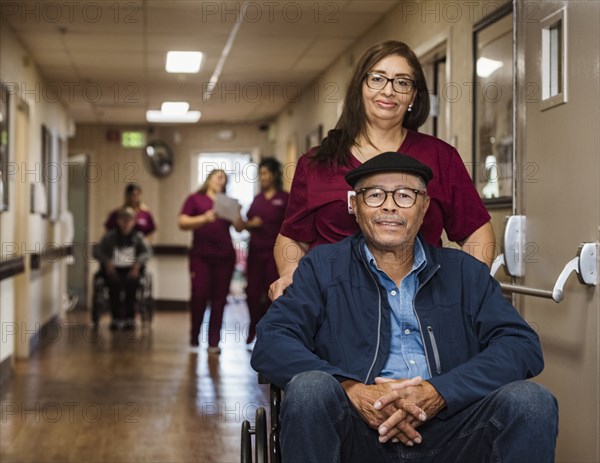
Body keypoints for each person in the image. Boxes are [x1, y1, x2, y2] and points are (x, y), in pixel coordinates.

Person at [252, 152, 558, 462]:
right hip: (355, 433)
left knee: (531, 401)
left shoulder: (464, 272)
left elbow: (521, 345)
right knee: (309, 390)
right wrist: (348, 388)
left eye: (404, 195)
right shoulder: (322, 268)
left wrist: (439, 392)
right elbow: (272, 341)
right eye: (374, 195)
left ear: (424, 206)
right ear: (354, 206)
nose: (389, 205)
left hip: (453, 431)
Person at [270, 40, 495, 300]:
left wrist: (468, 291)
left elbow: (477, 231)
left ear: (413, 95)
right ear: (360, 87)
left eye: (402, 82)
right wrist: (290, 273)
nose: (389, 91)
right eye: (377, 79)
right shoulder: (317, 162)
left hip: (420, 307)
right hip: (334, 307)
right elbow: (292, 239)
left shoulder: (440, 157)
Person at [178, 169, 238, 353]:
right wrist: (205, 218)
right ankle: (194, 336)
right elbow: (182, 222)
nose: (220, 181)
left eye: (224, 179)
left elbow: (240, 227)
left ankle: (214, 342)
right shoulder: (195, 199)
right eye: (217, 177)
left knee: (219, 300)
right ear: (209, 179)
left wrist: (238, 215)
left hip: (225, 257)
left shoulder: (227, 202)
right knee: (199, 295)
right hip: (200, 256)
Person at [236, 158, 289, 347]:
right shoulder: (257, 200)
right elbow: (245, 225)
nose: (262, 178)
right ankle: (253, 329)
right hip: (256, 253)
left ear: (274, 175)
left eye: (265, 173)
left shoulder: (285, 198)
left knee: (272, 294)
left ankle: (270, 335)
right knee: (251, 293)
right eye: (260, 174)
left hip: (276, 254)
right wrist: (245, 221)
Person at [96, 207, 152, 330]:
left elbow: (147, 252)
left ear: (133, 222)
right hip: (114, 270)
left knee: (132, 286)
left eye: (129, 220)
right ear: (118, 221)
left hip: (132, 270)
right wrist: (107, 262)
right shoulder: (109, 237)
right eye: (123, 220)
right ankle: (115, 318)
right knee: (113, 286)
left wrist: (138, 263)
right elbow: (98, 251)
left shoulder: (138, 237)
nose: (126, 223)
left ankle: (130, 318)